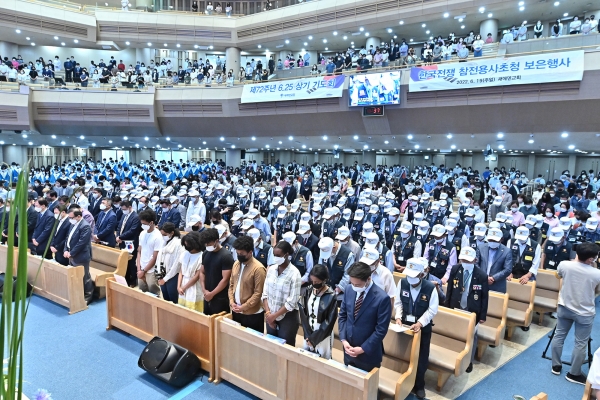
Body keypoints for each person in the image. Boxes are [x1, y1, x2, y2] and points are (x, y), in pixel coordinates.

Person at [551, 242, 600, 385]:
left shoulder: (564, 265)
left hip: (564, 307)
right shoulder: (597, 273)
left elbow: (559, 276)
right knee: (580, 343)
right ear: (591, 259)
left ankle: (556, 365)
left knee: (559, 335)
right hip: (584, 312)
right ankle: (574, 373)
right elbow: (597, 291)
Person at [395, 257, 438, 399]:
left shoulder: (430, 288)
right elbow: (398, 302)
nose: (410, 279)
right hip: (405, 325)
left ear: (422, 274)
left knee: (421, 357)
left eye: (414, 276)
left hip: (422, 328)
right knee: (404, 354)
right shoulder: (403, 282)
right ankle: (403, 382)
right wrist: (398, 317)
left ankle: (419, 385)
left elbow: (432, 310)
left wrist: (420, 323)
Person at [338, 261, 392, 372]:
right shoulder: (349, 289)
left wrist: (363, 349)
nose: (354, 287)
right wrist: (344, 340)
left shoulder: (382, 298)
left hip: (368, 354)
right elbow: (343, 316)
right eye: (352, 283)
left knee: (367, 388)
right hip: (348, 349)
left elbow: (381, 330)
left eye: (357, 285)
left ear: (368, 279)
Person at [444, 247, 489, 373]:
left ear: (475, 260)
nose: (466, 263)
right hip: (456, 306)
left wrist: (483, 316)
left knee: (471, 336)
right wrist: (447, 308)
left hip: (472, 310)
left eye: (468, 261)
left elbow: (485, 297)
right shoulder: (455, 269)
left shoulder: (481, 275)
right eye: (463, 260)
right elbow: (450, 290)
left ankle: (469, 360)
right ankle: (454, 355)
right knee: (455, 332)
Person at [262, 241, 302, 346]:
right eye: (274, 255)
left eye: (278, 255)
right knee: (271, 345)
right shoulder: (271, 270)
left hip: (287, 318)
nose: (276, 258)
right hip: (269, 314)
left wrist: (274, 316)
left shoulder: (294, 273)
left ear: (286, 254)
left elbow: (292, 302)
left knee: (285, 348)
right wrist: (268, 314)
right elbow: (265, 294)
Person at [298, 264, 338, 359]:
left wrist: (314, 338)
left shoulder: (331, 296)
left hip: (322, 333)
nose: (314, 283)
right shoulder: (309, 290)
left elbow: (329, 321)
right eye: (312, 281)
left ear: (324, 280)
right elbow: (303, 313)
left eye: (317, 281)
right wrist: (308, 335)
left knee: (322, 359)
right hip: (308, 330)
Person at [229, 235, 267, 332]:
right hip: (236, 310)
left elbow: (258, 293)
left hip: (252, 314)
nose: (239, 255)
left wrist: (243, 307)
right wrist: (232, 302)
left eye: (241, 253)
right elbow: (231, 285)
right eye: (237, 253)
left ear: (250, 252)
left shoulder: (258, 269)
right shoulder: (236, 264)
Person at [63, 207, 95, 304]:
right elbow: (68, 238)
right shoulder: (73, 224)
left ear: (78, 216)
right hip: (72, 254)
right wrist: (65, 250)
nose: (70, 219)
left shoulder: (85, 226)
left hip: (81, 256)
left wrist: (71, 253)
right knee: (75, 276)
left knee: (84, 277)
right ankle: (77, 294)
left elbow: (82, 243)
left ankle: (88, 296)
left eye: (72, 217)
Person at [199, 228, 233, 315]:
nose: (207, 245)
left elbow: (225, 279)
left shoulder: (226, 256)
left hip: (220, 297)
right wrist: (204, 290)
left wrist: (212, 294)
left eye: (209, 243)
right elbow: (202, 272)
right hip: (206, 295)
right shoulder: (206, 253)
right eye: (205, 244)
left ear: (216, 241)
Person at [476, 227, 513, 293]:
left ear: (501, 239)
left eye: (495, 240)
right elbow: (476, 264)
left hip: (497, 285)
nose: (492, 242)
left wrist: (493, 278)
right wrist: (484, 277)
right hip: (480, 282)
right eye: (490, 240)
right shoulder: (480, 248)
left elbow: (508, 269)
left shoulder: (507, 251)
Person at [137, 209, 163, 296]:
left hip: (151, 270)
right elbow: (139, 251)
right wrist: (139, 269)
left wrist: (144, 271)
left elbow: (155, 257)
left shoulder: (158, 236)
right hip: (141, 268)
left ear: (151, 223)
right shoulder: (142, 233)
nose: (142, 225)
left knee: (153, 292)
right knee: (141, 291)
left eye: (144, 224)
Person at [156, 222, 184, 304]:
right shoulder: (163, 242)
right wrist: (159, 274)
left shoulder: (179, 244)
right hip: (162, 273)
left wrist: (165, 279)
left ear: (172, 233)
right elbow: (159, 257)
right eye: (162, 234)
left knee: (173, 298)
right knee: (165, 298)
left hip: (173, 275)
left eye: (165, 234)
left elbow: (177, 264)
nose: (163, 236)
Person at [178, 232, 204, 311]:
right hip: (182, 284)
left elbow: (196, 276)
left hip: (194, 286)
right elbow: (181, 271)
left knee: (193, 309)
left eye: (188, 245)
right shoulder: (184, 254)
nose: (186, 247)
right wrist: (179, 287)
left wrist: (184, 287)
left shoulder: (201, 256)